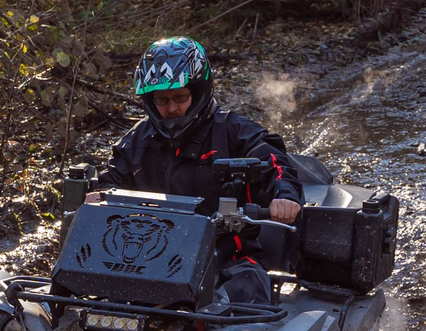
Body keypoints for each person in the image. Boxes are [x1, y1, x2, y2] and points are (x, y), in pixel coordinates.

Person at [86, 37, 301, 308]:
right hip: (151, 260)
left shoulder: (233, 130)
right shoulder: (137, 140)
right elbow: (111, 181)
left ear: (198, 91)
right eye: (162, 100)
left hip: (229, 257)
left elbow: (274, 160)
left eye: (180, 97)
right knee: (98, 306)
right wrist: (97, 198)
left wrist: (285, 194)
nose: (172, 108)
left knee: (249, 298)